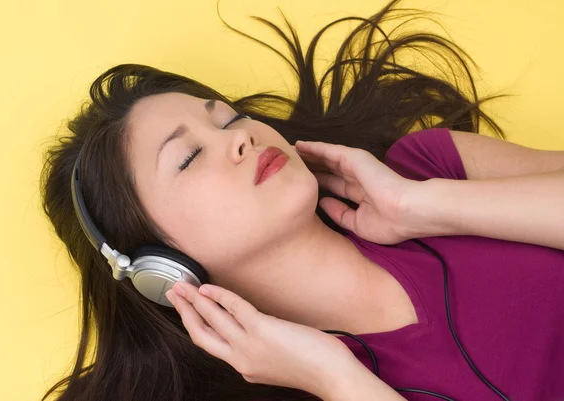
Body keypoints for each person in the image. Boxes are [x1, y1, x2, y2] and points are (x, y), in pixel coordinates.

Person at [39, 0, 564, 400]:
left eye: (228, 118)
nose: (240, 137)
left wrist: (422, 206)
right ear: (161, 269)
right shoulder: (312, 387)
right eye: (189, 157)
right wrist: (335, 378)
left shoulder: (430, 168)